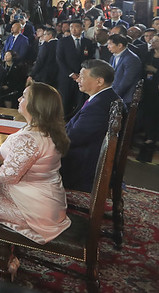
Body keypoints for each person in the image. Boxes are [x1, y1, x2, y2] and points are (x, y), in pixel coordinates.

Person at [0, 82, 71, 279]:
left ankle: (1, 262)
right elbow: (24, 160)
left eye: (24, 96)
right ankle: (5, 254)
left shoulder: (30, 138)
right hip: (48, 200)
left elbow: (8, 176)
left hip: (34, 207)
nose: (19, 99)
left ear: (35, 106)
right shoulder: (46, 130)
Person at [61, 59, 121, 193]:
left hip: (83, 167)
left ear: (99, 81)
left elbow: (73, 138)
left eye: (82, 77)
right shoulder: (105, 98)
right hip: (89, 155)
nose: (78, 80)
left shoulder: (99, 106)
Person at [55, 19, 95, 116]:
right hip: (66, 76)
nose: (73, 29)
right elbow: (60, 60)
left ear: (82, 28)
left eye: (76, 27)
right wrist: (71, 74)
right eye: (71, 27)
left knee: (80, 101)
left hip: (82, 77)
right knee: (65, 102)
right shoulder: (63, 41)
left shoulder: (88, 42)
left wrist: (82, 74)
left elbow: (90, 59)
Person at [107, 33, 142, 105]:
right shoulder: (113, 57)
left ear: (120, 45)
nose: (108, 47)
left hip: (127, 98)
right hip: (115, 95)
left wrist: (114, 95)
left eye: (110, 44)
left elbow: (127, 80)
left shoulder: (131, 58)